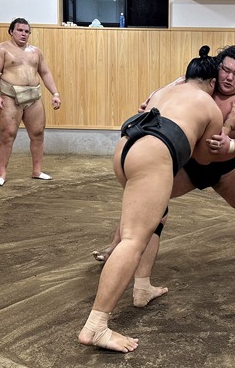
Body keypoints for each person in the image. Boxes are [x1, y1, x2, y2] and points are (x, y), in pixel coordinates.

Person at [93, 44, 235, 308]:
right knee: (149, 204)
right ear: (216, 69)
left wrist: (231, 145)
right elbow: (158, 99)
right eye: (225, 70)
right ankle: (118, 247)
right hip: (187, 164)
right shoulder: (197, 83)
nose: (229, 77)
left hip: (225, 167)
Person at [78, 46, 222, 353]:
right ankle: (96, 327)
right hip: (154, 153)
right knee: (133, 239)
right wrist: (228, 125)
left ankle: (142, 288)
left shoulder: (164, 90)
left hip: (125, 149)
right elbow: (204, 158)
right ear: (212, 83)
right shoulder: (210, 106)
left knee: (158, 216)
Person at [0, 18, 61, 186]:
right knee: (7, 135)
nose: (24, 34)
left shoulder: (36, 51)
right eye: (20, 30)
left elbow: (45, 73)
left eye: (27, 31)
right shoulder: (1, 49)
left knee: (38, 133)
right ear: (11, 31)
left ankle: (37, 171)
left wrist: (55, 93)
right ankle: (2, 174)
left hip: (33, 96)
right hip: (10, 96)